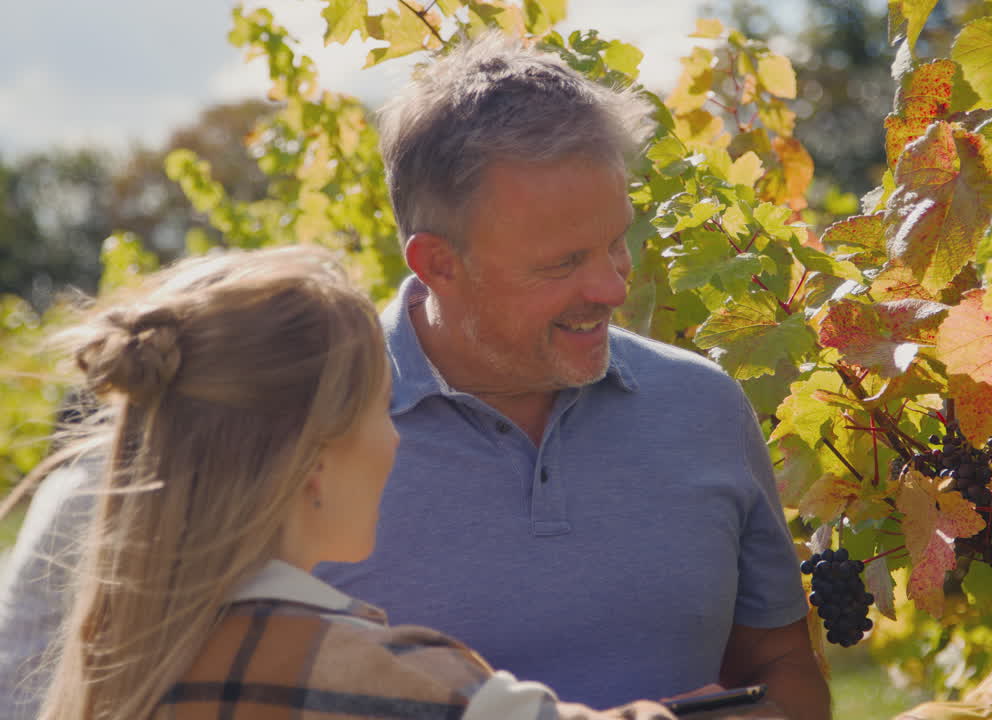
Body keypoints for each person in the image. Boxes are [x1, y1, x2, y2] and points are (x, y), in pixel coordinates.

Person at [311, 35, 829, 720]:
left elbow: (781, 664)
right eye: (563, 263)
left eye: (617, 241)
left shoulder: (702, 406)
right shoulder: (303, 434)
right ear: (437, 263)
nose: (613, 289)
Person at [26, 246, 690, 720]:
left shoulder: (115, 664)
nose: (396, 438)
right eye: (381, 409)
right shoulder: (390, 683)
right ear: (312, 462)